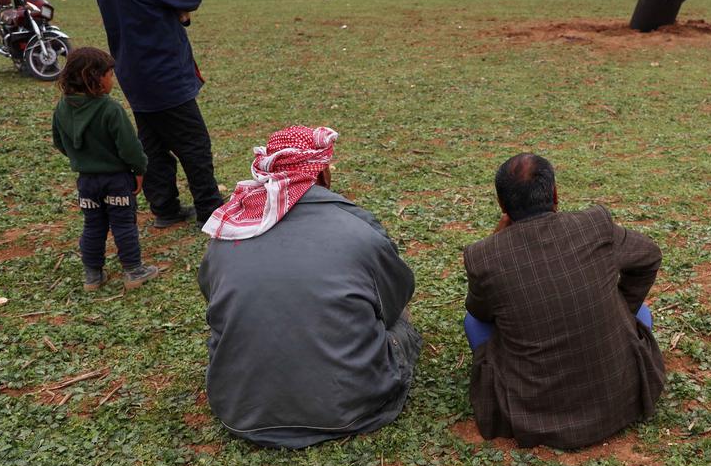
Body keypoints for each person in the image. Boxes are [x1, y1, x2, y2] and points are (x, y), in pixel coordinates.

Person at [198, 126, 421, 449]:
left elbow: (214, 303)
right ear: (322, 174)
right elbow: (394, 302)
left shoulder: (227, 232)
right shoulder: (358, 228)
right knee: (402, 324)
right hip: (351, 408)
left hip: (241, 412)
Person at [462, 154, 665, 449]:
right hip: (622, 397)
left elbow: (480, 312)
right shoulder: (593, 225)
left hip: (535, 415)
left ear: (501, 204)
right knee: (640, 313)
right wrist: (623, 309)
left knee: (473, 322)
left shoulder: (483, 256)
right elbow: (650, 256)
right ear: (555, 193)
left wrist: (497, 239)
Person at [87, 0, 223, 229]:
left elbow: (142, 15)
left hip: (134, 74)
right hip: (163, 73)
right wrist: (177, 9)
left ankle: (165, 208)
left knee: (154, 145)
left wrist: (172, 13)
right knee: (194, 143)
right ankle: (210, 208)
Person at [51, 48, 160, 291]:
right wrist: (139, 169)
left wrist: (82, 158)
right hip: (117, 181)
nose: (113, 80)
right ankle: (134, 271)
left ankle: (92, 276)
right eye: (110, 74)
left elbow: (59, 142)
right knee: (123, 225)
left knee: (93, 225)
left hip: (86, 183)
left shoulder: (62, 108)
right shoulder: (110, 109)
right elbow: (130, 147)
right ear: (94, 77)